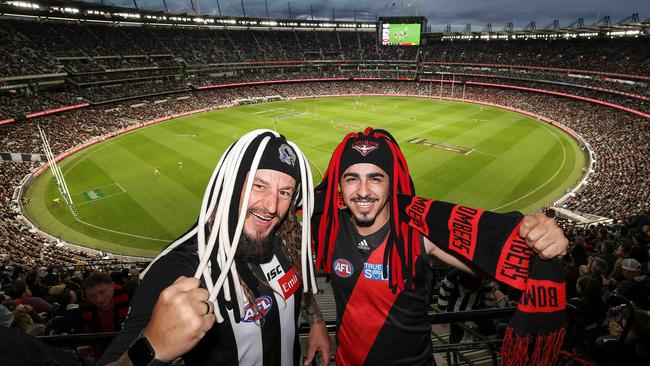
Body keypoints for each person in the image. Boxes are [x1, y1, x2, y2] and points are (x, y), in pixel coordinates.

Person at [312, 128, 569, 366]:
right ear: (339, 184)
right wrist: (316, 320)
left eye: (375, 178)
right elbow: (290, 258)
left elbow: (508, 256)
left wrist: (541, 237)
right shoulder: (328, 227)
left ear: (391, 183)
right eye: (352, 179)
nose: (363, 191)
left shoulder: (420, 232)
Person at [101, 130, 329, 366]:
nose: (272, 206)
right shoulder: (181, 268)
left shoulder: (283, 241)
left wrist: (316, 321)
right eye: (259, 185)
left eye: (284, 193)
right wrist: (152, 347)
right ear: (232, 185)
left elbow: (298, 287)